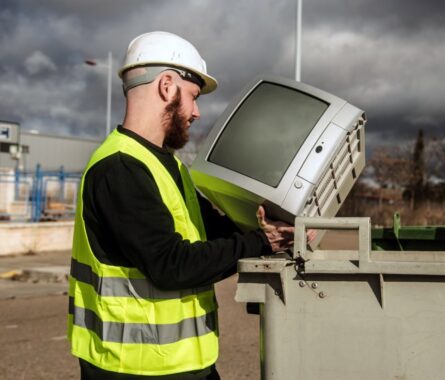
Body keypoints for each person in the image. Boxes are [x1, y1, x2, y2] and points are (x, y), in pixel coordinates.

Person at [68, 31, 299, 379]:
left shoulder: (167, 165)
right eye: (193, 96)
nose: (196, 112)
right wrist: (263, 243)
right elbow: (171, 264)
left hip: (177, 363)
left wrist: (263, 227)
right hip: (135, 368)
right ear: (166, 86)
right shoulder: (120, 167)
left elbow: (205, 226)